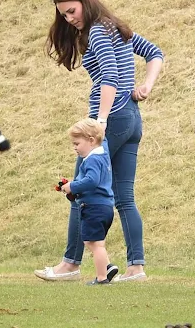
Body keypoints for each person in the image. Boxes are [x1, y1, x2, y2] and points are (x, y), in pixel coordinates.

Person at [35, 0, 164, 282]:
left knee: (79, 187)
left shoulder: (97, 30)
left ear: (84, 2)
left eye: (71, 11)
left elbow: (109, 75)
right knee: (124, 197)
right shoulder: (114, 26)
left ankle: (70, 263)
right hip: (131, 118)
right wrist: (146, 85)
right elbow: (155, 53)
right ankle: (136, 268)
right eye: (63, 15)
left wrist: (101, 120)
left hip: (110, 119)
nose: (69, 19)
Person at [60, 119, 117, 285]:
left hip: (94, 207)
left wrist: (73, 186)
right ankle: (107, 267)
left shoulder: (92, 160)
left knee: (94, 243)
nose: (75, 147)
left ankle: (101, 277)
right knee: (94, 242)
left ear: (91, 140)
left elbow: (91, 181)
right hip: (104, 206)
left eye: (77, 143)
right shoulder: (102, 156)